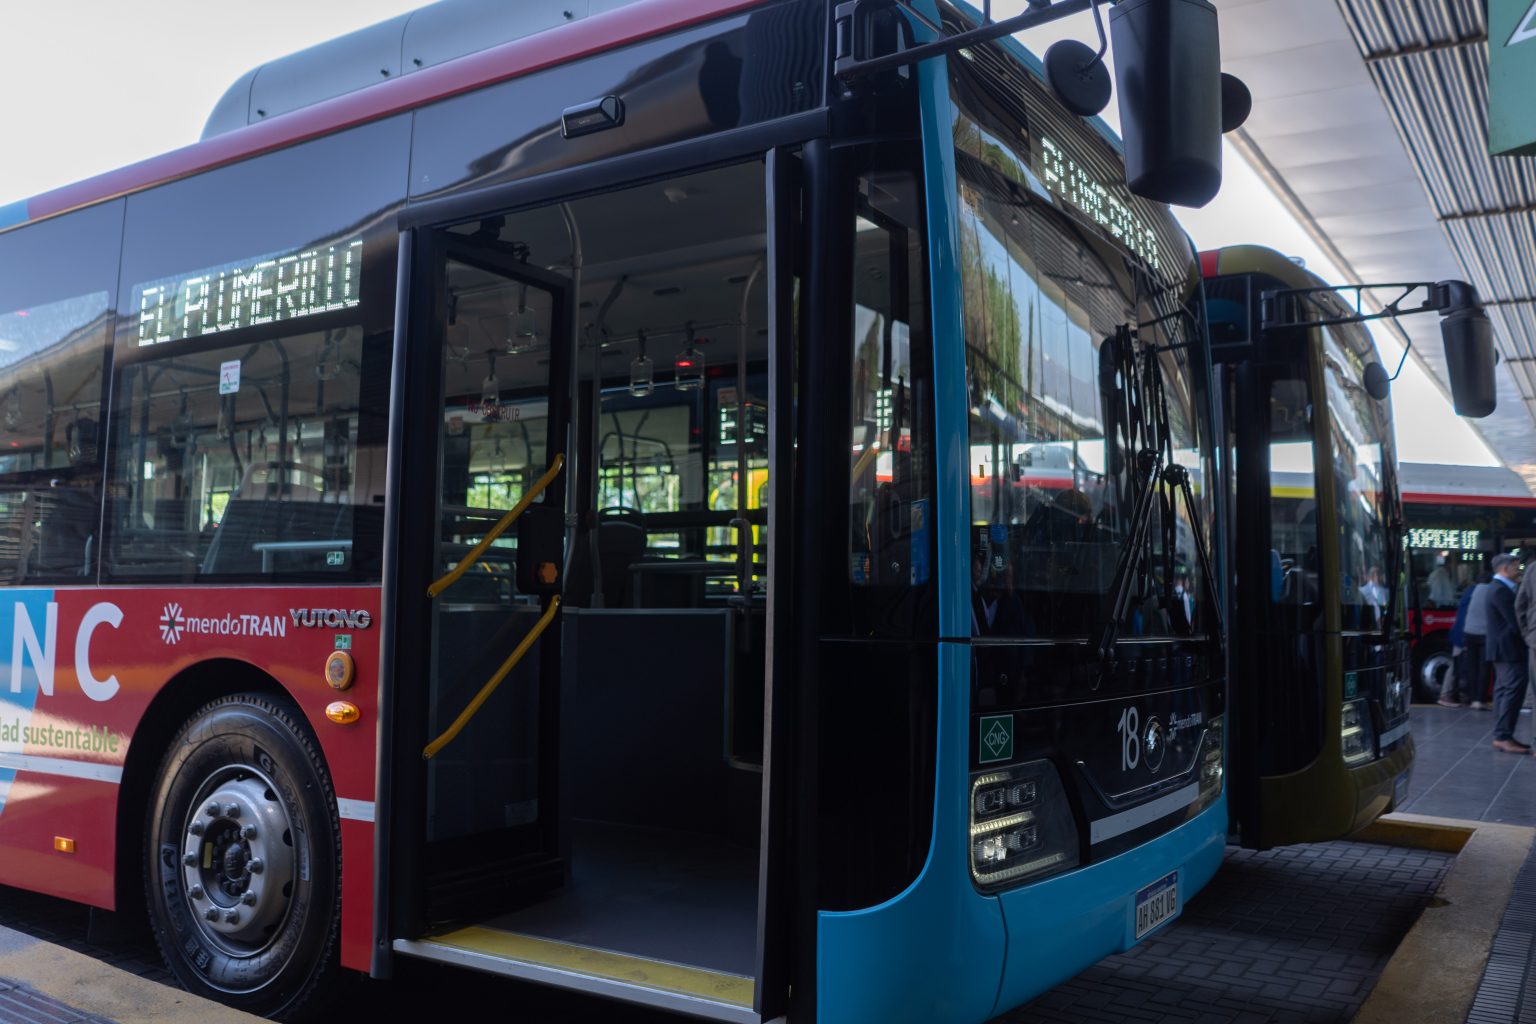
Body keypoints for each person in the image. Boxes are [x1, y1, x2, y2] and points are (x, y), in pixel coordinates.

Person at [1484, 553, 1530, 753]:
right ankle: (1503, 735)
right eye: (1516, 566)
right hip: (1508, 650)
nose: (1519, 570)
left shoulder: (1498, 588)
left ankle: (1502, 734)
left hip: (1502, 649)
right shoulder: (1501, 591)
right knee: (1513, 690)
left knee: (1504, 690)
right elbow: (1515, 622)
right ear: (1504, 569)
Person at [1440, 575, 1481, 707]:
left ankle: (1454, 694)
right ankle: (1447, 694)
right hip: (1463, 635)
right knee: (1457, 665)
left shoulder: (1471, 591)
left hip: (1459, 633)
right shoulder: (1476, 593)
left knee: (1457, 664)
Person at [1462, 571, 1494, 709]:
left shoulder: (1471, 590)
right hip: (1484, 634)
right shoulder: (1492, 591)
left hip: (1469, 632)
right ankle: (1480, 700)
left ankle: (1472, 698)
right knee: (1484, 668)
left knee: (1472, 667)